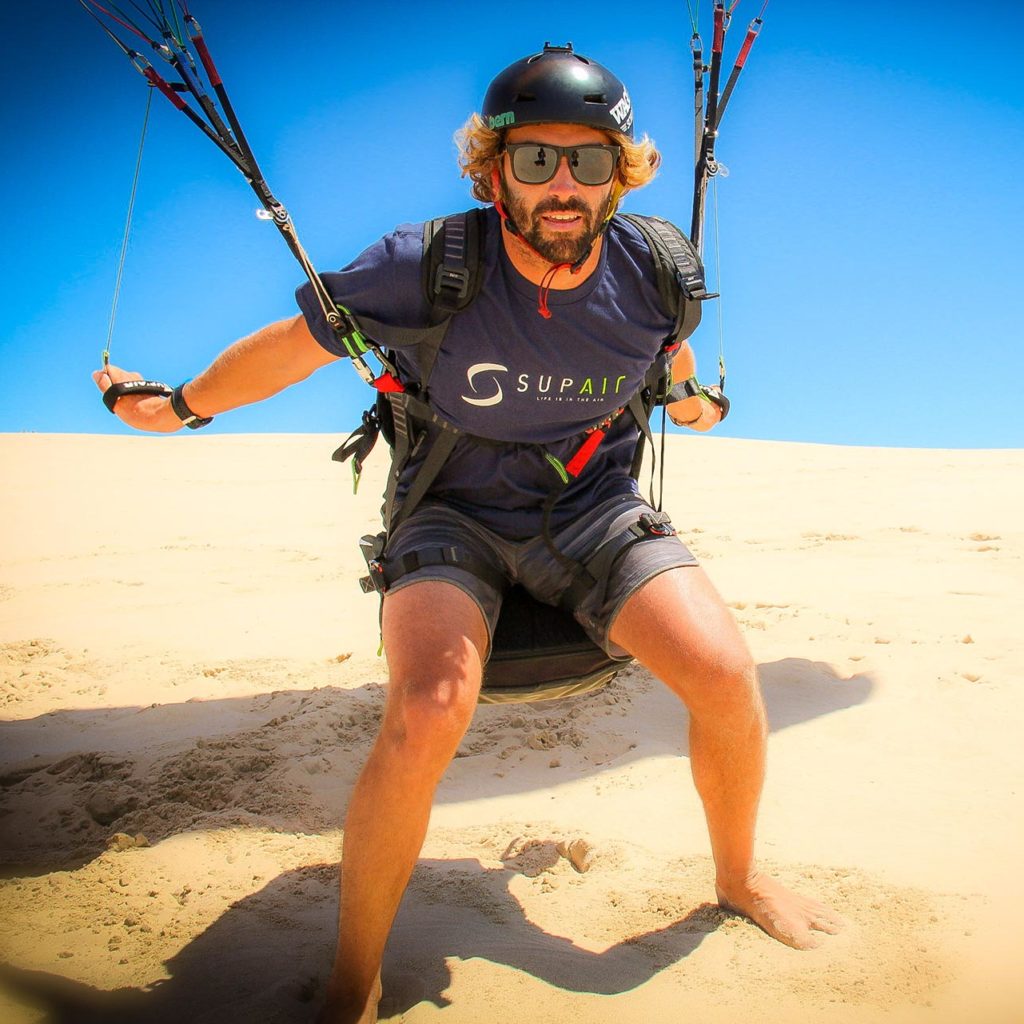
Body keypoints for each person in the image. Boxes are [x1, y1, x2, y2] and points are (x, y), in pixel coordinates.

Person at [94, 42, 841, 1024]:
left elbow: (669, 361)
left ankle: (740, 878)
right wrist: (182, 407)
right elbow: (290, 349)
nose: (562, 185)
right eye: (535, 160)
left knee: (725, 677)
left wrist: (702, 407)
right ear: (492, 171)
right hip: (450, 515)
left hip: (594, 510)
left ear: (624, 171)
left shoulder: (658, 267)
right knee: (427, 710)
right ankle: (351, 985)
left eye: (588, 160)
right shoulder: (425, 266)